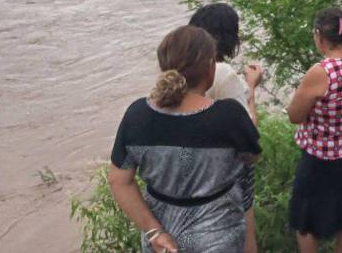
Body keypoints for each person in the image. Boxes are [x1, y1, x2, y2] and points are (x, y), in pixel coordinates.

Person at [108, 25, 262, 252]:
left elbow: (118, 181)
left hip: (163, 241)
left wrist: (154, 231)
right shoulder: (229, 116)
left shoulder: (138, 115)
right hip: (218, 239)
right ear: (211, 68)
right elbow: (252, 157)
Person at [286, 8, 342, 253]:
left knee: (304, 220)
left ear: (319, 36)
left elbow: (295, 116)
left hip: (320, 157)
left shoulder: (321, 72)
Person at [189, 3, 261, 253]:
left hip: (195, 173)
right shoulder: (224, 74)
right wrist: (251, 88)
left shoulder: (181, 71)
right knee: (244, 237)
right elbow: (249, 132)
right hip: (229, 172)